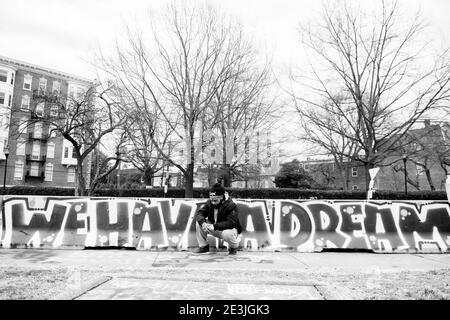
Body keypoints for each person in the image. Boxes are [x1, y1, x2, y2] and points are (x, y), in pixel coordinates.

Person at [192, 183, 242, 255]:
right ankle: (204, 247)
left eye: (215, 200)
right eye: (211, 200)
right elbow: (199, 214)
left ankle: (233, 248)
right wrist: (203, 223)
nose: (213, 202)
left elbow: (231, 223)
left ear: (221, 197)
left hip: (229, 230)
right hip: (215, 228)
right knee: (199, 222)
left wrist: (214, 226)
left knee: (227, 234)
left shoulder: (231, 205)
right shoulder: (210, 203)